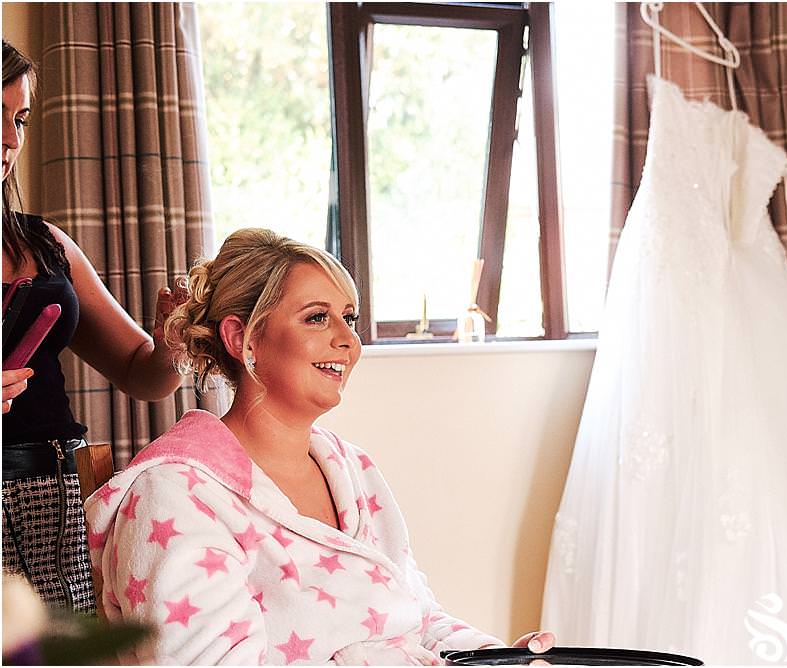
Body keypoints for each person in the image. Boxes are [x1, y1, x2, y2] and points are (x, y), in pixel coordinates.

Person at [84, 228, 555, 665]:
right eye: (316, 318)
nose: (348, 340)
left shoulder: (351, 468)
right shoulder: (176, 496)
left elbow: (413, 615)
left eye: (348, 318)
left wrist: (494, 657)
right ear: (240, 339)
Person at [2, 38, 187, 613]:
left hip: (60, 502)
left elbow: (144, 375)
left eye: (20, 118)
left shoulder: (46, 244)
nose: (11, 141)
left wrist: (170, 345)